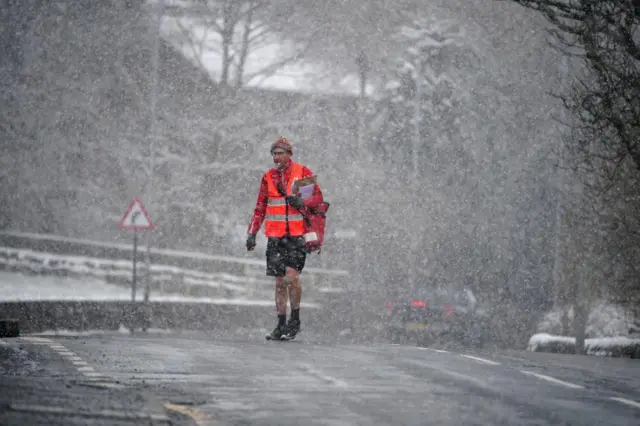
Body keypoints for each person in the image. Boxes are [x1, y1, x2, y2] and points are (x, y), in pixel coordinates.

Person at [246, 136, 324, 340]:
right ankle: (280, 324)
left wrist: (299, 201)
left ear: (289, 154)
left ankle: (295, 319)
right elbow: (260, 207)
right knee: (279, 282)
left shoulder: (301, 172)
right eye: (274, 153)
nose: (276, 157)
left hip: (297, 236)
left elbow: (316, 199)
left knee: (292, 277)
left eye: (280, 153)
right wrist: (252, 232)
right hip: (275, 237)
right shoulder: (268, 177)